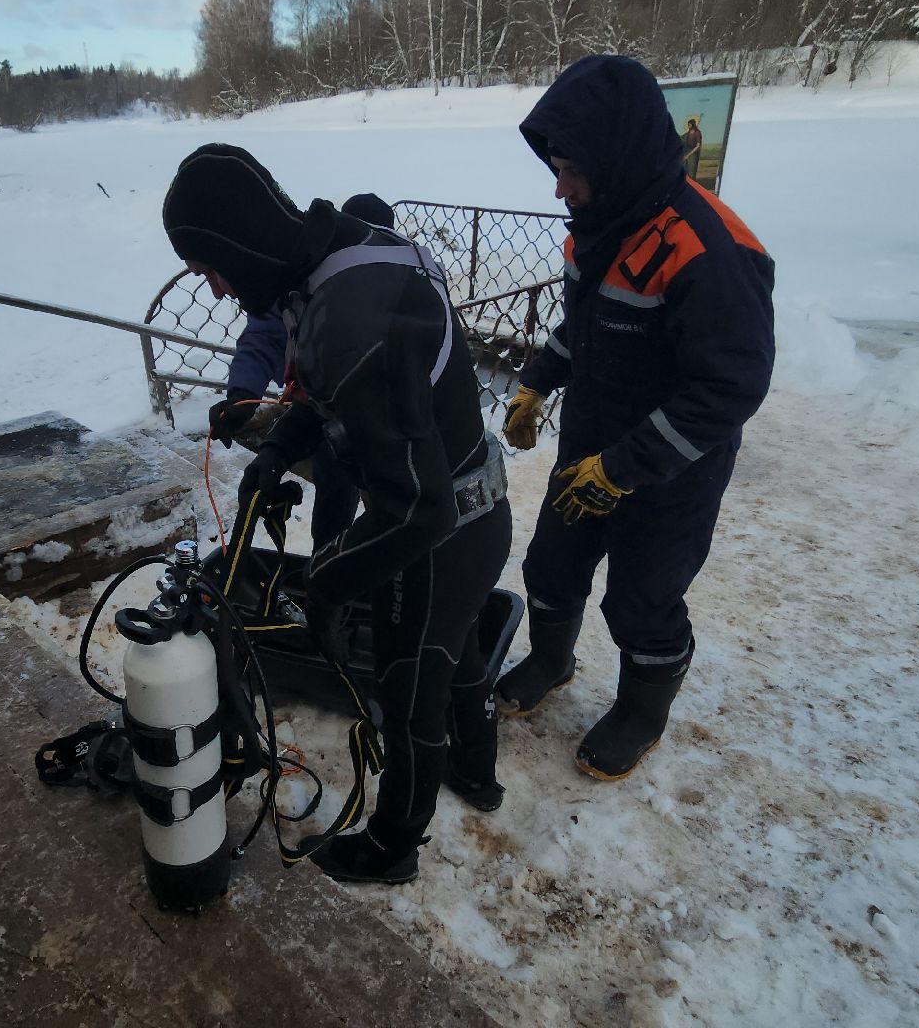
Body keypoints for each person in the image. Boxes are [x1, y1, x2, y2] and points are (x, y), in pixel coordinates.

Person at [163, 144, 511, 884]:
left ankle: (392, 850)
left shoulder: (348, 316)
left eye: (210, 270)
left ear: (233, 245)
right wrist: (278, 447)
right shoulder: (345, 256)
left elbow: (417, 510)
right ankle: (477, 775)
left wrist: (328, 583)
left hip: (439, 530)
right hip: (473, 506)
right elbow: (337, 399)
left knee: (410, 695)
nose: (219, 292)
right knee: (456, 655)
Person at [496, 55, 774, 782]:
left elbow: (732, 385)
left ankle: (642, 712)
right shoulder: (599, 223)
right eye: (554, 167)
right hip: (590, 446)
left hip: (669, 470)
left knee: (641, 603)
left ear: (615, 159)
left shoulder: (709, 252)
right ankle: (552, 660)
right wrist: (537, 381)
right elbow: (584, 325)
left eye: (570, 169)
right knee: (550, 566)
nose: (559, 188)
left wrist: (626, 468)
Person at [206, 193, 397, 547]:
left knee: (390, 513)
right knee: (333, 498)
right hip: (321, 415)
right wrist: (241, 397)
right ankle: (329, 559)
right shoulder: (307, 277)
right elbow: (263, 336)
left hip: (387, 430)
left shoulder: (400, 286)